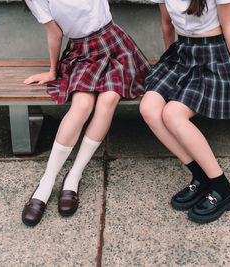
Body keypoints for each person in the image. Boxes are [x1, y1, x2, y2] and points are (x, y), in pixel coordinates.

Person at [21, 0, 151, 226]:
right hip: (83, 52)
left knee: (108, 99)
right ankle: (47, 181)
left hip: (115, 46)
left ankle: (75, 175)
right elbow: (54, 33)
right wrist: (53, 71)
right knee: (81, 105)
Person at [140, 0, 230, 223]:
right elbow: (167, 24)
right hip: (181, 54)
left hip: (213, 56)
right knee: (148, 109)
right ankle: (200, 176)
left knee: (172, 114)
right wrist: (170, 58)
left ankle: (222, 187)